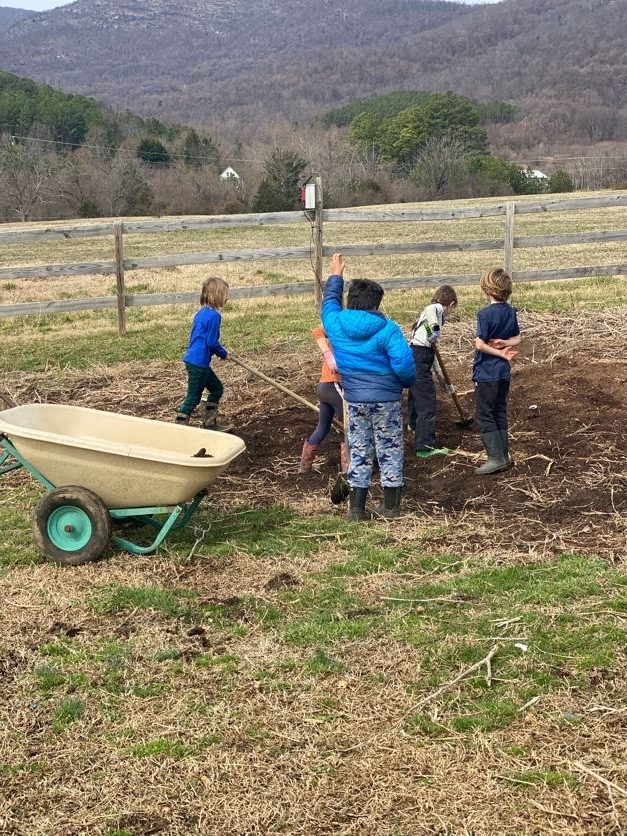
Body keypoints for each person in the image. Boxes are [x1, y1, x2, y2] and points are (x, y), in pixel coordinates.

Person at [321, 253, 416, 520]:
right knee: (390, 448)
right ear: (376, 303)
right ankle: (391, 506)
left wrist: (336, 274)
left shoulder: (336, 323)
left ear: (351, 301)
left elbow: (328, 303)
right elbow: (405, 365)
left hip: (354, 399)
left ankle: (356, 509)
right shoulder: (388, 329)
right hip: (386, 400)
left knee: (360, 449)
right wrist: (405, 384)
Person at [473, 267, 521, 474]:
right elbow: (518, 338)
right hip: (503, 372)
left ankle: (495, 458)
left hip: (487, 371)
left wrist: (499, 352)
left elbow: (479, 344)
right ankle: (505, 456)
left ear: (487, 289)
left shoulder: (485, 314)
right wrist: (504, 343)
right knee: (499, 410)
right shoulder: (510, 311)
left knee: (485, 413)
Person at [407, 285, 458, 457]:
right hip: (419, 355)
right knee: (427, 402)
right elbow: (431, 310)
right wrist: (435, 330)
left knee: (417, 393)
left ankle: (413, 424)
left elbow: (434, 360)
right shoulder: (436, 309)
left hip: (417, 354)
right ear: (450, 304)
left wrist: (444, 384)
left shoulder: (426, 321)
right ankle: (425, 446)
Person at [175, 275, 231, 431]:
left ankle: (210, 423)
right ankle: (179, 426)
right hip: (199, 363)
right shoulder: (214, 316)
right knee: (193, 397)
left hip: (194, 360)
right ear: (217, 295)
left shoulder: (201, 313)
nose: (226, 299)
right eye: (225, 295)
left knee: (217, 388)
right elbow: (211, 342)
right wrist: (223, 353)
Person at [298, 326, 347, 473]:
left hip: (324, 386)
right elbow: (318, 331)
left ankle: (304, 468)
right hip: (334, 385)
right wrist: (328, 354)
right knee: (351, 425)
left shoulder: (340, 328)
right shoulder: (343, 328)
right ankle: (349, 469)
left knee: (323, 427)